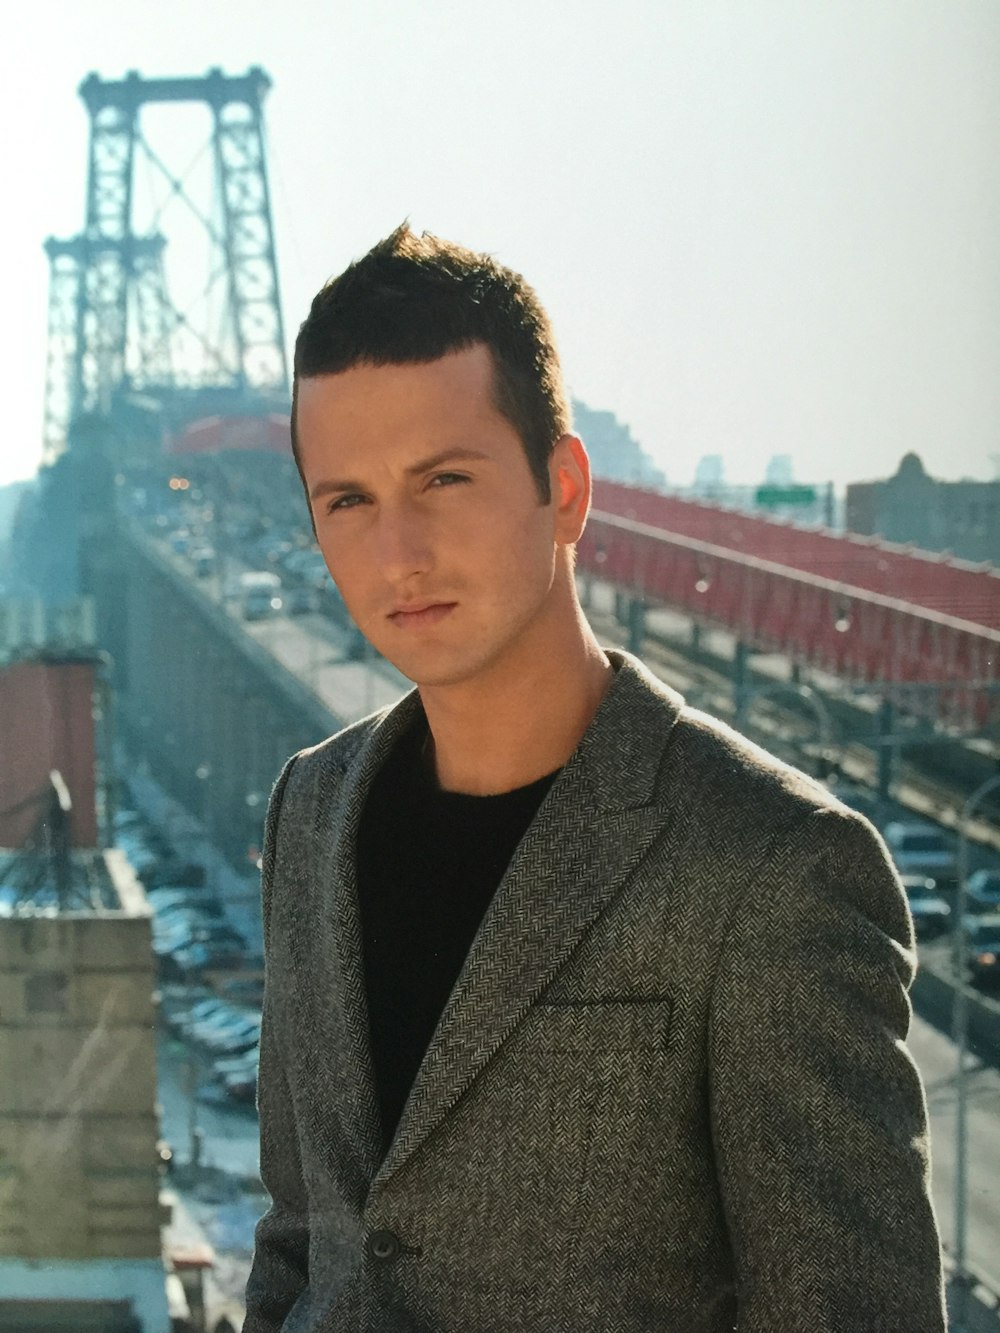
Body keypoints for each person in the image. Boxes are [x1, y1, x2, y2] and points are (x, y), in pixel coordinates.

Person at [243, 224, 946, 1332]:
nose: (398, 554)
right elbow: (302, 1234)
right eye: (349, 500)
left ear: (564, 488)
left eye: (443, 479)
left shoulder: (774, 868)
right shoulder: (311, 809)